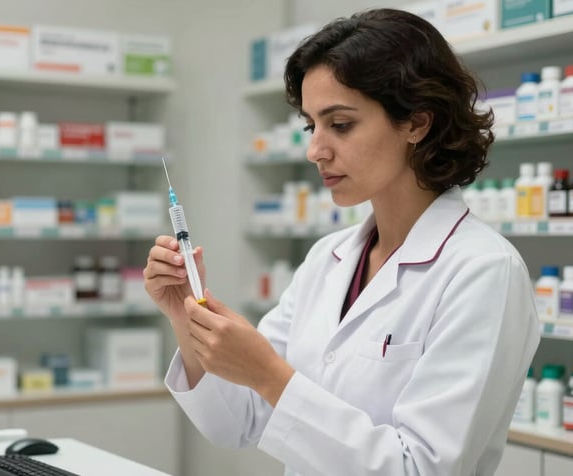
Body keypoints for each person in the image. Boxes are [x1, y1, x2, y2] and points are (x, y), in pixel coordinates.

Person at [143, 8, 540, 476]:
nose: (315, 150)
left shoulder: (482, 271)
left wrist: (271, 376)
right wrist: (185, 312)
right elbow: (238, 421)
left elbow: (423, 469)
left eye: (341, 124)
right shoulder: (327, 260)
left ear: (417, 123)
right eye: (312, 125)